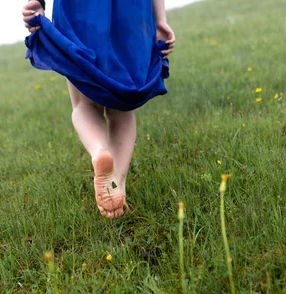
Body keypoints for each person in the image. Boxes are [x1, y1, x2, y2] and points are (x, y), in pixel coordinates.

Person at [22, 0, 175, 219]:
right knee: (121, 105)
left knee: (83, 104)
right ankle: (117, 184)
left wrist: (36, 4)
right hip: (132, 9)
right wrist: (161, 21)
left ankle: (99, 151)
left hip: (80, 9)